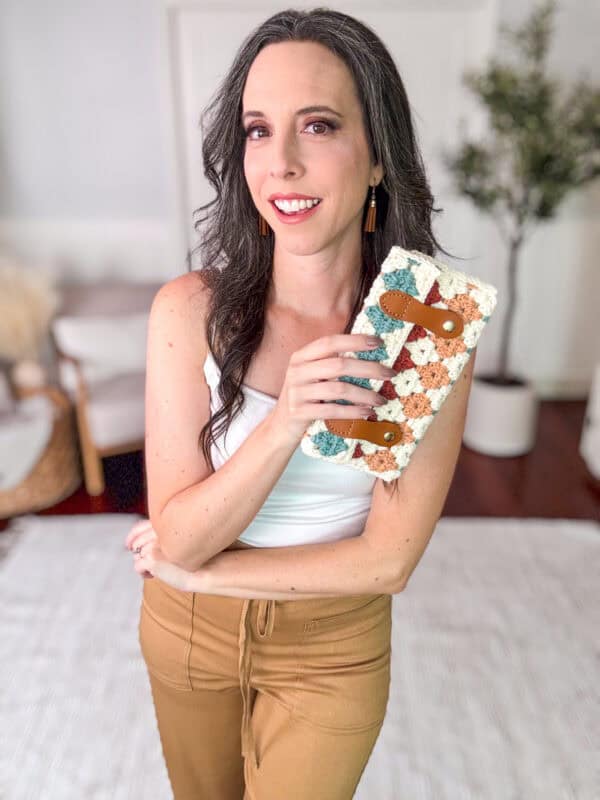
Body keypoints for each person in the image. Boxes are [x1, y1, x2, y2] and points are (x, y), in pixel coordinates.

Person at [124, 8, 476, 799]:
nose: (279, 162)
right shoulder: (188, 313)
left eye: (316, 126)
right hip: (185, 637)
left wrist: (209, 576)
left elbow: (388, 563)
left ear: (379, 156)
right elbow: (177, 528)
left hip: (333, 648)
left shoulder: (426, 330)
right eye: (257, 130)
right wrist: (287, 419)